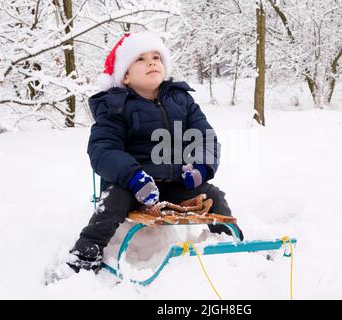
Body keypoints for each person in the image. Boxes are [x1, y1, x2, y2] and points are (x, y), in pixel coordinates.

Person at [45, 31, 243, 283]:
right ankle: (85, 256)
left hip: (175, 183)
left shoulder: (181, 100)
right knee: (113, 202)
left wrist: (201, 167)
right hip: (132, 184)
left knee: (212, 195)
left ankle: (231, 242)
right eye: (140, 58)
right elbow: (103, 149)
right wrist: (133, 177)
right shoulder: (116, 106)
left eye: (156, 57)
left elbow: (204, 136)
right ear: (125, 75)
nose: (151, 62)